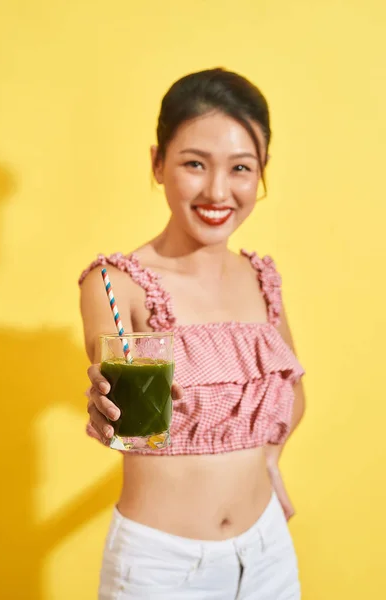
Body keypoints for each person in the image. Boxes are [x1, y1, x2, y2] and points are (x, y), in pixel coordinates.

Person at [79, 67, 305, 600]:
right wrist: (105, 401)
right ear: (157, 163)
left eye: (241, 168)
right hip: (162, 568)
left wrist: (265, 463)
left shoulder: (262, 277)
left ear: (262, 172)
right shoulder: (115, 283)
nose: (217, 191)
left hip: (267, 553)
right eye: (194, 164)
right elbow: (123, 413)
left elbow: (293, 395)